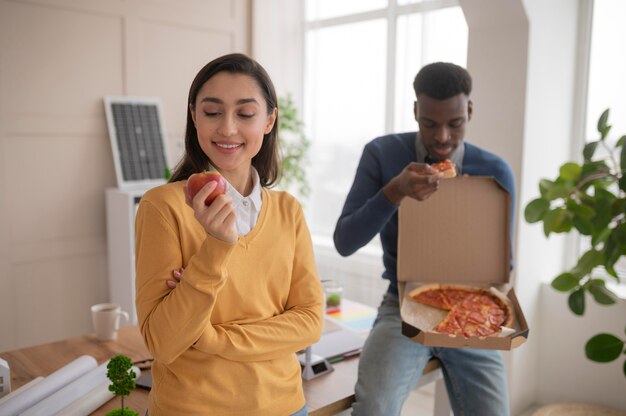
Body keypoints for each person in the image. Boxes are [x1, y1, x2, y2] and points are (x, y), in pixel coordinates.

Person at [134, 53, 324, 416]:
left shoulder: (288, 210)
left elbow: (310, 322)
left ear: (269, 120)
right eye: (212, 112)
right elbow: (163, 342)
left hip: (286, 406)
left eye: (245, 114)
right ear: (194, 116)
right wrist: (216, 248)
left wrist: (209, 338)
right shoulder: (162, 207)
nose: (227, 129)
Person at [333, 62, 515, 416]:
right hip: (401, 305)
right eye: (430, 123)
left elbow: (503, 266)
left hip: (471, 309)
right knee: (374, 407)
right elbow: (344, 241)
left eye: (455, 124)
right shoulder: (382, 154)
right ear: (416, 111)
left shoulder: (495, 170)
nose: (443, 137)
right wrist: (394, 191)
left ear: (470, 112)